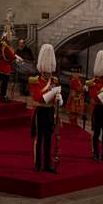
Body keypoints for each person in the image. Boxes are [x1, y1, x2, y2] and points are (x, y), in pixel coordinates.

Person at [29, 44, 62, 173]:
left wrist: (59, 98)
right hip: (40, 111)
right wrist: (54, 93)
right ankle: (38, 163)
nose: (49, 73)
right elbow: (39, 98)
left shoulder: (54, 80)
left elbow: (55, 100)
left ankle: (47, 164)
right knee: (39, 139)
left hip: (50, 111)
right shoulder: (34, 80)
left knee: (49, 138)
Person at [0, 30, 16, 102]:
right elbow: (9, 55)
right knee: (4, 82)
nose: (10, 39)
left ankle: (3, 95)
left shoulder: (5, 44)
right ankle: (3, 96)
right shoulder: (4, 44)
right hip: (4, 65)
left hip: (5, 64)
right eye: (9, 37)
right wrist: (13, 57)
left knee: (5, 82)